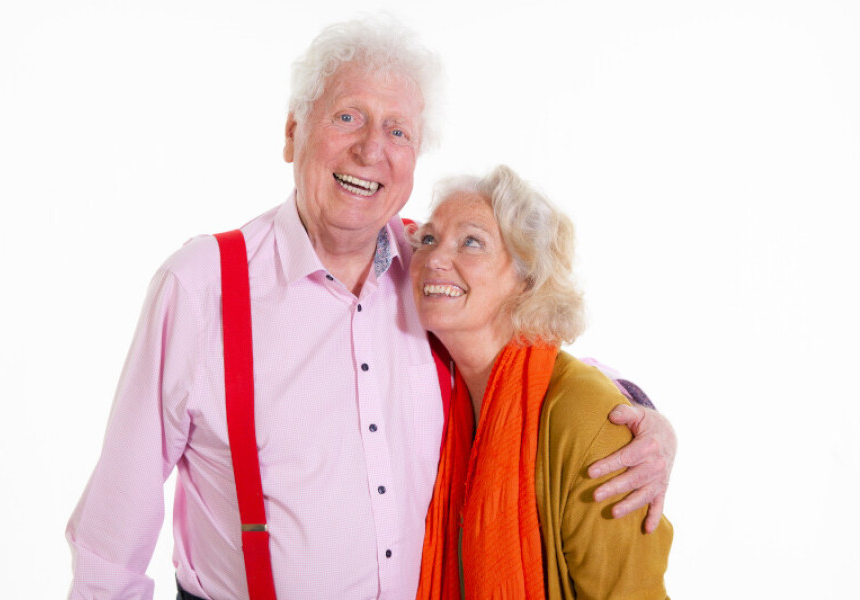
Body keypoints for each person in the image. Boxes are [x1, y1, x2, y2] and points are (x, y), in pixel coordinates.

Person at [66, 17, 676, 600]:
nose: (370, 150)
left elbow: (518, 361)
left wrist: (634, 414)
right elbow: (109, 546)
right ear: (291, 133)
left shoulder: (429, 273)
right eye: (348, 116)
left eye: (398, 131)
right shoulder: (202, 286)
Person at [412, 165, 673, 599]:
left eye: (471, 242)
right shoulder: (448, 394)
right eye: (428, 239)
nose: (435, 258)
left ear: (526, 278)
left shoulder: (588, 419)